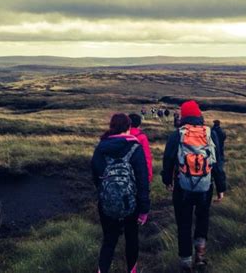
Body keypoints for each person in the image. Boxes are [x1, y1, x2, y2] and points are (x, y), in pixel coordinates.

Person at [161, 100, 226, 273]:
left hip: (182, 187)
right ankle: (200, 256)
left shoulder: (177, 135)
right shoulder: (210, 133)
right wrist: (221, 187)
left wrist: (167, 180)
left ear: (183, 116)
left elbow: (168, 160)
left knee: (183, 223)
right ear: (199, 115)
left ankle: (185, 263)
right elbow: (218, 163)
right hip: (206, 185)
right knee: (202, 218)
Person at [91, 113, 150, 273]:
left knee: (109, 240)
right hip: (132, 204)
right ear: (128, 128)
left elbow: (96, 178)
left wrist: (106, 194)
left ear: (112, 127)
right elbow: (142, 180)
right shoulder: (135, 148)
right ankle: (132, 270)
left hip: (106, 204)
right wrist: (144, 209)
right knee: (131, 239)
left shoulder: (101, 148)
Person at [129, 113, 153, 182]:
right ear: (139, 124)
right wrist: (149, 175)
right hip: (139, 172)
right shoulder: (142, 137)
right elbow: (147, 156)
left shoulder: (122, 136)